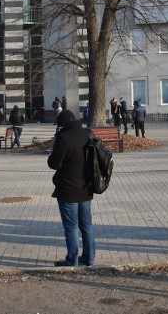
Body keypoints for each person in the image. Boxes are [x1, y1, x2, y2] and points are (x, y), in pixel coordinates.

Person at [47, 110, 95, 267]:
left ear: (63, 124)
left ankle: (72, 260)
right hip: (86, 187)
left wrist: (52, 152)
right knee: (86, 225)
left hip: (68, 189)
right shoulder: (87, 134)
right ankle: (89, 257)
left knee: (71, 226)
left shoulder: (64, 138)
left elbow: (54, 163)